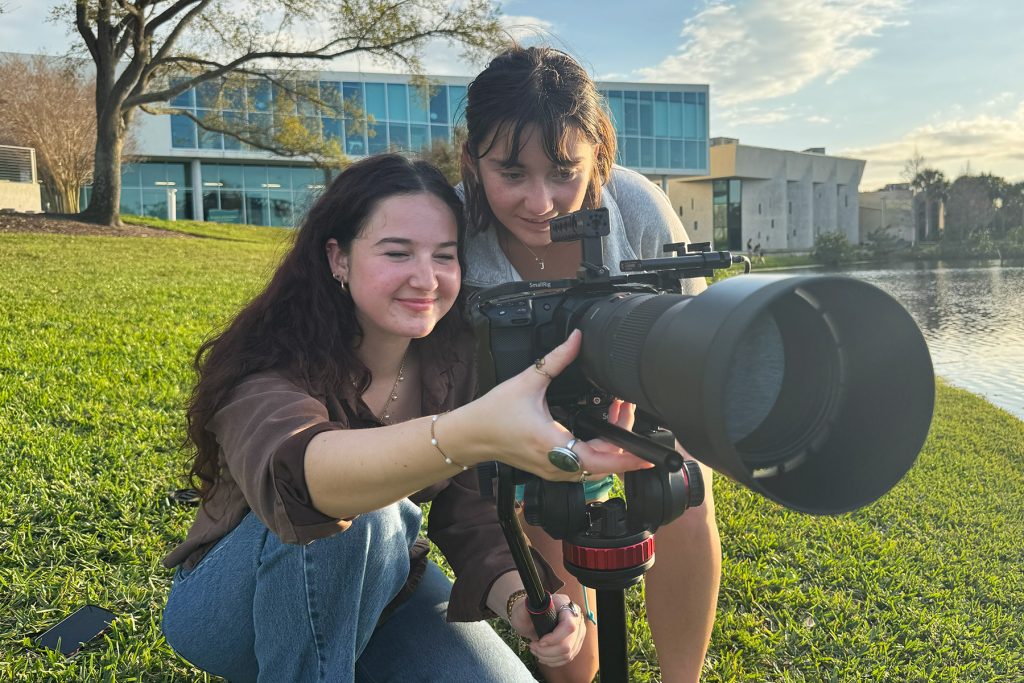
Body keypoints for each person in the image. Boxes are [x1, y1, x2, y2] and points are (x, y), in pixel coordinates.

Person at [160, 154, 652, 682]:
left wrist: (524, 602)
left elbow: (471, 516)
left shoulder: (456, 358)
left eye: (445, 256)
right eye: (397, 253)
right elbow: (303, 480)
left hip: (386, 592)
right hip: (231, 608)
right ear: (338, 258)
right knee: (367, 507)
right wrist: (470, 431)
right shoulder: (272, 358)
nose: (426, 279)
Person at [460, 46, 723, 683]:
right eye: (511, 173)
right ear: (472, 164)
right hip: (518, 425)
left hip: (635, 404)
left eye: (563, 171)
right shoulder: (454, 229)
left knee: (686, 488)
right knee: (561, 583)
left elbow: (692, 338)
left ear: (598, 155)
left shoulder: (636, 207)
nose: (540, 201)